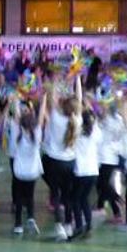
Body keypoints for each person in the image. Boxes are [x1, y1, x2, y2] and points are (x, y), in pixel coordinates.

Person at [42, 86, 79, 242]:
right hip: (70, 162)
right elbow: (79, 99)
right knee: (67, 195)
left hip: (54, 161)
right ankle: (69, 224)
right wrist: (77, 79)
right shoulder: (77, 120)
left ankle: (59, 226)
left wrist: (53, 84)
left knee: (55, 194)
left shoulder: (56, 118)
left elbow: (51, 100)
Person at [67, 85, 101, 240]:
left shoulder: (78, 131)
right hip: (93, 172)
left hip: (81, 171)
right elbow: (93, 118)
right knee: (84, 199)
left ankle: (79, 226)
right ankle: (88, 225)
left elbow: (77, 114)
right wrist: (89, 105)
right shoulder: (96, 132)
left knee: (75, 200)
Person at [7, 97, 44, 236]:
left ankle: (18, 225)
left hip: (19, 172)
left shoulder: (17, 133)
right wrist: (43, 99)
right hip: (32, 172)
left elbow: (17, 117)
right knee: (30, 196)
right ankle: (31, 218)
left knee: (18, 198)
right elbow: (40, 118)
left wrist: (15, 100)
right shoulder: (37, 134)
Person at [96, 101, 126, 222]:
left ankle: (117, 199)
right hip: (113, 156)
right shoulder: (120, 120)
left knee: (102, 184)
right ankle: (106, 208)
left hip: (104, 156)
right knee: (103, 184)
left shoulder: (106, 120)